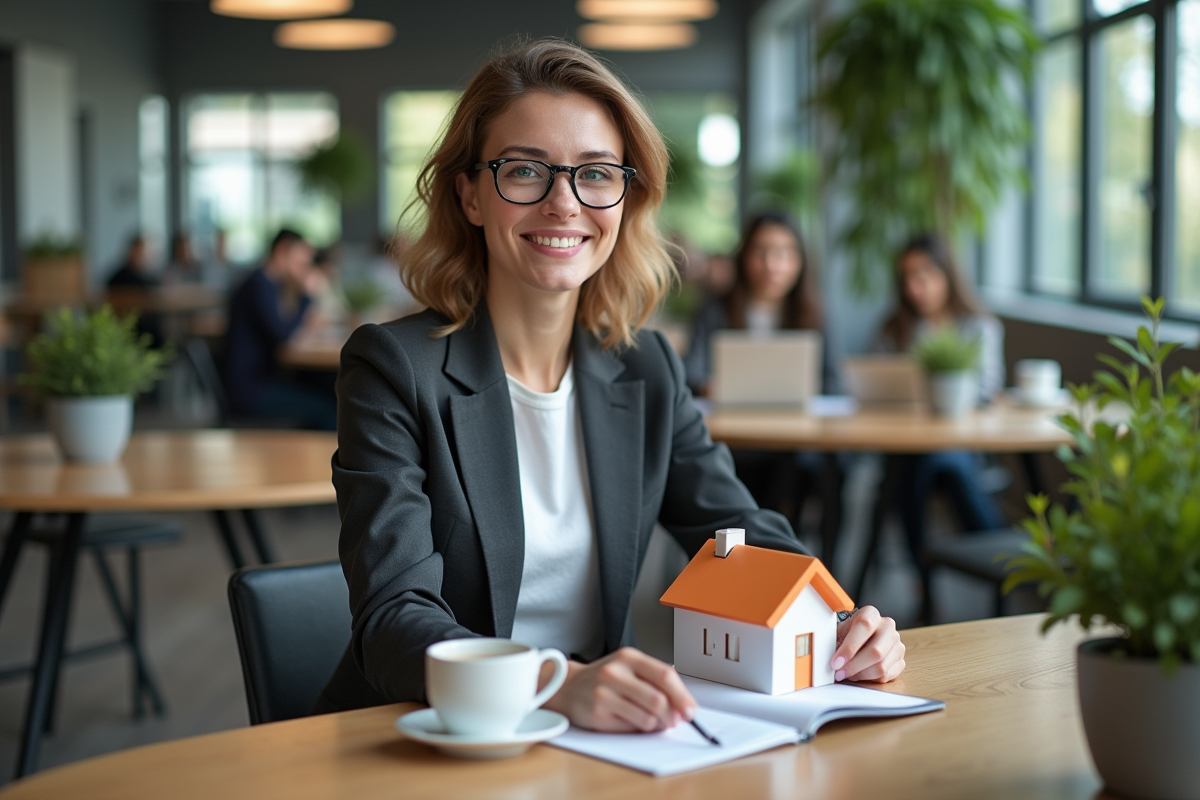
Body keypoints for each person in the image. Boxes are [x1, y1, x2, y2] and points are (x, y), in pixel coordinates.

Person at [314, 39, 904, 732]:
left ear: (625, 197)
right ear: (470, 193)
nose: (565, 203)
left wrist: (841, 620)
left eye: (595, 174)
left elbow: (737, 536)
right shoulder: (393, 368)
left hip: (597, 741)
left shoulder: (646, 367)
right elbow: (393, 618)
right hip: (427, 738)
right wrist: (555, 682)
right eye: (525, 170)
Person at [683, 210, 838, 537]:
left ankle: (790, 561)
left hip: (794, 443)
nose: (772, 264)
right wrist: (711, 386)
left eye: (784, 253)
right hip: (735, 444)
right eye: (761, 251)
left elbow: (833, 382)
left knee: (817, 471)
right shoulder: (716, 309)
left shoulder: (813, 315)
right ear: (745, 257)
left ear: (799, 261)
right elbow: (690, 372)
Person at [876, 233, 1007, 566]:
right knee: (913, 464)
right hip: (905, 441)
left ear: (948, 274)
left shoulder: (977, 327)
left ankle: (928, 573)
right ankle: (998, 562)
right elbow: (878, 386)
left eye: (925, 275)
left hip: (961, 442)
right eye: (907, 278)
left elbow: (988, 388)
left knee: (937, 464)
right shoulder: (896, 329)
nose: (915, 287)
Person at [221, 228, 336, 431]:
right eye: (301, 263)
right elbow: (282, 335)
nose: (304, 270)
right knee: (328, 407)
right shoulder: (258, 287)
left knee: (324, 390)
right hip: (250, 390)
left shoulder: (265, 285)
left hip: (258, 381)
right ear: (282, 251)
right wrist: (306, 296)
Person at [107, 234, 166, 346]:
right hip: (129, 325)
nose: (141, 255)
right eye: (138, 251)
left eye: (143, 252)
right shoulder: (119, 277)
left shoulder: (149, 276)